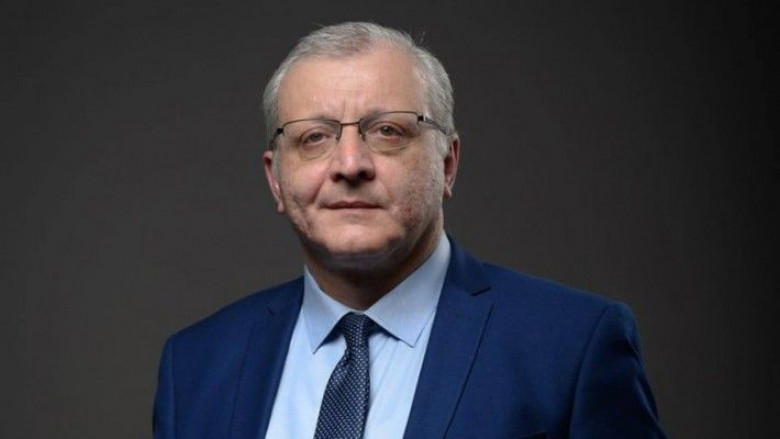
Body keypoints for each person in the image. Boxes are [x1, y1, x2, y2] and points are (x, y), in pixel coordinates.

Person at [153, 22, 666, 438]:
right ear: (276, 180)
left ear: (447, 163)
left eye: (387, 131)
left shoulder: (571, 346)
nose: (350, 164)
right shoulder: (195, 366)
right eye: (314, 137)